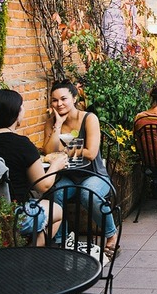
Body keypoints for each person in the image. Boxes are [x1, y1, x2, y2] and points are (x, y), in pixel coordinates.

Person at [0, 89, 67, 246]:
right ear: (15, 112)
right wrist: (56, 165)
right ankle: (28, 255)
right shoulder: (21, 144)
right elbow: (42, 185)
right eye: (22, 106)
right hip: (14, 216)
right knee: (56, 210)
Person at [42, 80, 118, 255]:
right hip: (67, 175)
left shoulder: (89, 118)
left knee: (87, 193)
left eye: (63, 99)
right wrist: (58, 125)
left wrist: (62, 150)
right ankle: (63, 239)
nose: (59, 104)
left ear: (74, 98)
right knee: (55, 193)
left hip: (93, 174)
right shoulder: (51, 122)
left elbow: (91, 153)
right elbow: (48, 150)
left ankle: (111, 234)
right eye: (54, 100)